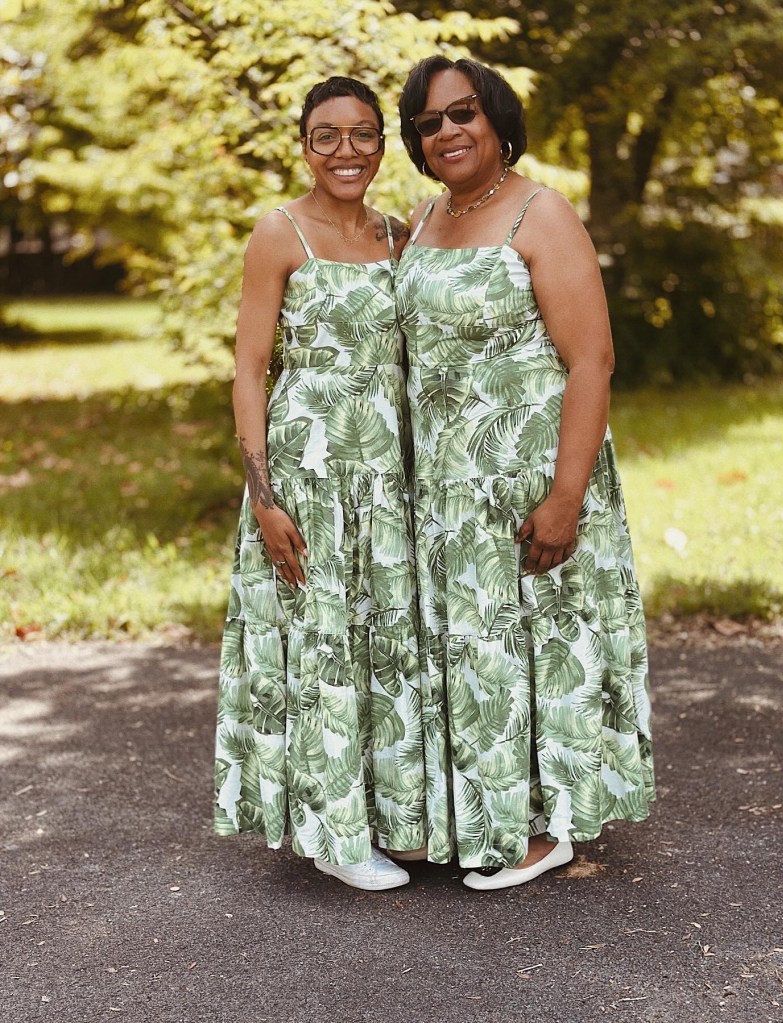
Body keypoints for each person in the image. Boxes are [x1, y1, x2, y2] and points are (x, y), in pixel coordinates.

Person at [396, 57, 655, 890]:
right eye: (429, 123)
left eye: (462, 113)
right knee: (470, 654)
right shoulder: (423, 217)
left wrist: (566, 497)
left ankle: (542, 828)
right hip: (442, 486)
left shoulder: (541, 213)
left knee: (538, 646)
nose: (448, 132)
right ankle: (474, 811)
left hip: (529, 476)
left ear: (498, 118)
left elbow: (592, 361)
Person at [214, 77, 426, 891]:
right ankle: (335, 835)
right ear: (303, 144)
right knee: (325, 641)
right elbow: (249, 368)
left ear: (382, 144)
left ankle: (396, 815)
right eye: (326, 135)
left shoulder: (399, 236)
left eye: (363, 134)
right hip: (307, 470)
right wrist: (263, 496)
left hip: (385, 472)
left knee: (386, 641)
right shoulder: (278, 234)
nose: (346, 150)